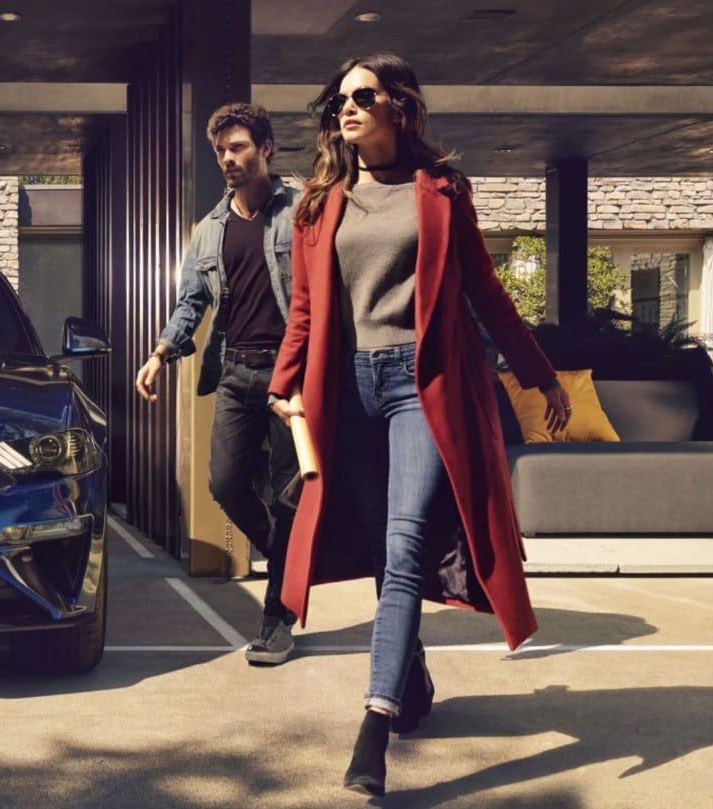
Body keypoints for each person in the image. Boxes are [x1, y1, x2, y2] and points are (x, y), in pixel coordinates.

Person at [265, 52, 571, 796]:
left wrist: (538, 374)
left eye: (363, 96)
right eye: (339, 99)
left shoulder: (441, 191)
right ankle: (412, 671)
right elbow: (306, 309)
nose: (347, 109)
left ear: (398, 105)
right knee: (378, 545)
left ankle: (374, 725)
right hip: (346, 393)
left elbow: (487, 294)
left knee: (404, 545)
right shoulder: (319, 201)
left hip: (419, 387)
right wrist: (283, 385)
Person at [135, 102, 302, 666]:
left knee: (287, 497)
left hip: (291, 371)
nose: (228, 160)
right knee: (226, 483)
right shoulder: (210, 230)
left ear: (265, 148)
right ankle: (290, 559)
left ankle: (277, 619)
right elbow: (192, 302)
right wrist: (161, 352)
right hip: (234, 369)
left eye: (238, 148)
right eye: (221, 152)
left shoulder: (299, 211)